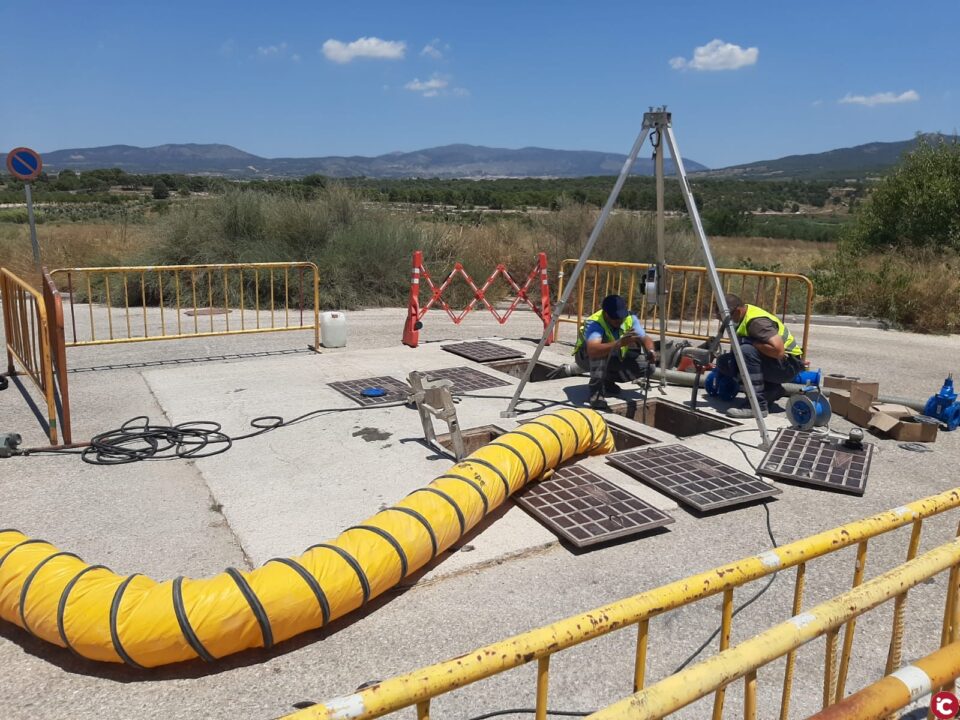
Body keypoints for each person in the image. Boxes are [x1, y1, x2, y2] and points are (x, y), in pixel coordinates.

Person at [715, 293, 805, 418]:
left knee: (746, 351)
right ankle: (771, 390)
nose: (722, 320)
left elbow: (778, 351)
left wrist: (751, 343)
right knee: (726, 362)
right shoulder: (741, 317)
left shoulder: (757, 322)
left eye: (723, 316)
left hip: (787, 365)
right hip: (777, 363)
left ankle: (757, 407)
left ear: (738, 310)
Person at [572, 294, 657, 410]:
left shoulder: (630, 318)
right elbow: (593, 350)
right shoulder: (595, 323)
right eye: (615, 317)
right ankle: (596, 395)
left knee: (648, 366)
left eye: (620, 317)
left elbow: (645, 338)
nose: (619, 320)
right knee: (600, 355)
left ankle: (607, 382)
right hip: (585, 357)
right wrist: (621, 343)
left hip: (612, 355)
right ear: (605, 313)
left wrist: (650, 351)